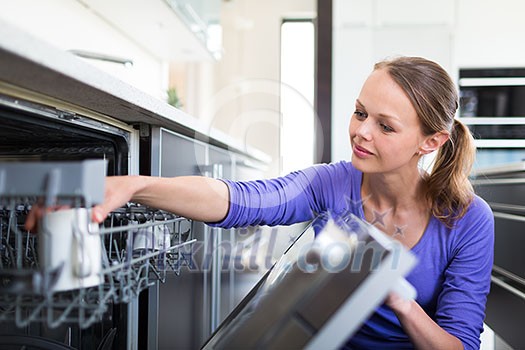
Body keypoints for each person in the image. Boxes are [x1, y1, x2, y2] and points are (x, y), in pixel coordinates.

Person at [26, 56, 494, 349]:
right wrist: (133, 185)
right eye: (359, 112)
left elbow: (459, 346)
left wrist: (395, 295)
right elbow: (243, 200)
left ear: (429, 142)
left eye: (385, 126)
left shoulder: (468, 220)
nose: (360, 132)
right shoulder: (331, 184)